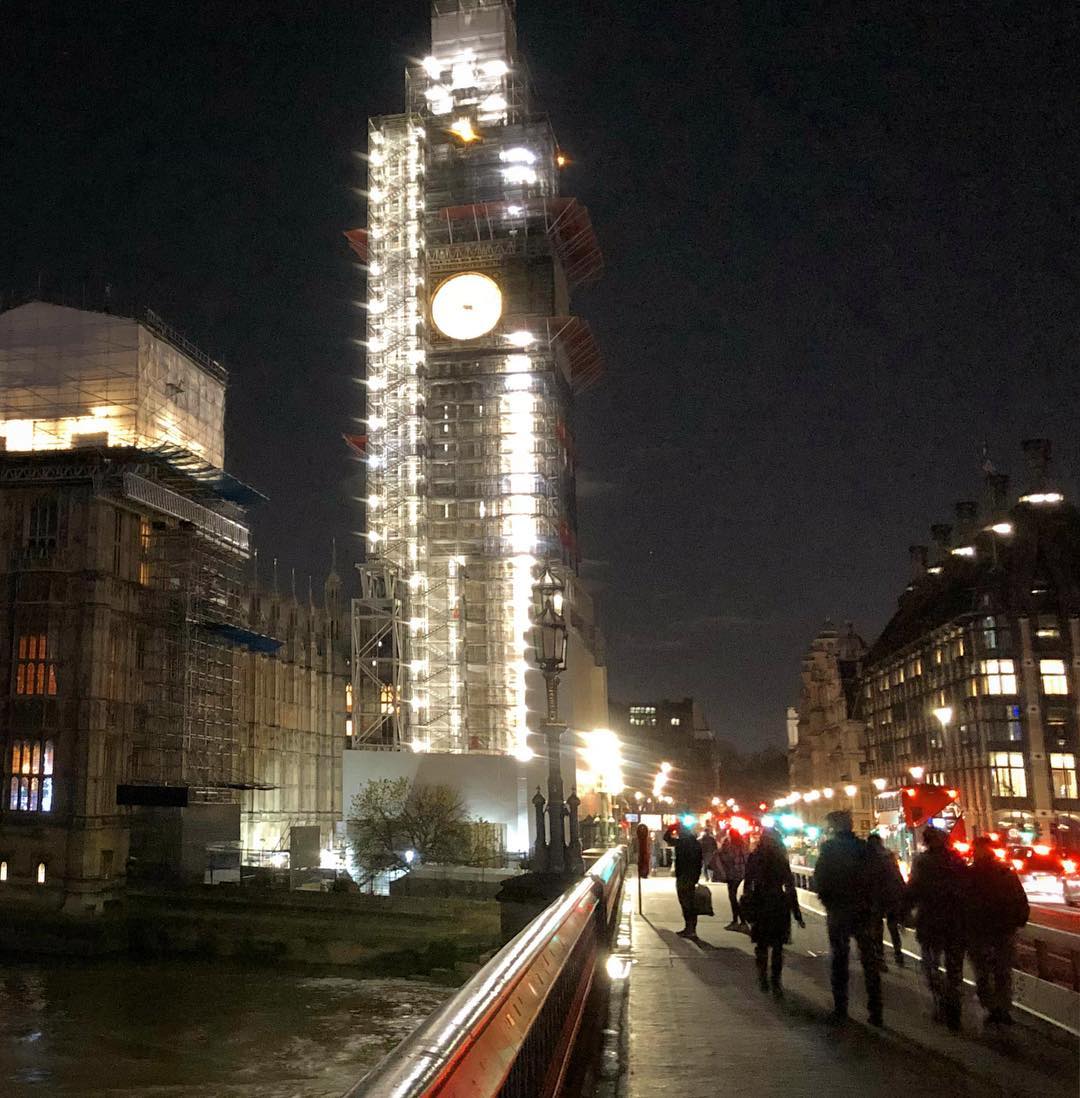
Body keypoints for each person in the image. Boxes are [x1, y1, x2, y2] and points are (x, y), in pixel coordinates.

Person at [812, 810, 883, 1026]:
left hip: (839, 910)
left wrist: (827, 901)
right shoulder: (864, 848)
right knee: (869, 961)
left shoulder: (829, 849)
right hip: (862, 911)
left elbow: (820, 878)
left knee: (840, 959)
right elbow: (876, 878)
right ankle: (876, 1011)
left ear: (834, 826)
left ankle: (841, 1007)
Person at [903, 825, 968, 1031]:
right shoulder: (957, 862)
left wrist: (904, 912)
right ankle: (954, 1008)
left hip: (930, 922)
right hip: (955, 923)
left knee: (930, 965)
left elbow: (913, 889)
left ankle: (941, 1001)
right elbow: (968, 891)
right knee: (954, 968)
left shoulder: (922, 862)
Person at [966, 834, 1029, 1026]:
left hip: (981, 930)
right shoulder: (1005, 873)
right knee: (1001, 971)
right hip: (1001, 929)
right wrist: (1019, 920)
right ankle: (1002, 1008)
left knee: (984, 971)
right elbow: (1020, 900)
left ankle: (994, 1007)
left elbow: (960, 902)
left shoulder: (969, 875)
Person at [743, 828, 804, 996]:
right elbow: (790, 886)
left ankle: (763, 977)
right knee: (778, 946)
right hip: (778, 903)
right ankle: (775, 981)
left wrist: (747, 906)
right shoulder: (780, 859)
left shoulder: (754, 857)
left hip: (760, 902)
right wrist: (796, 912)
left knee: (761, 944)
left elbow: (747, 883)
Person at [867, 833, 906, 969]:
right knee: (893, 926)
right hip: (890, 896)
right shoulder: (888, 856)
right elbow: (897, 876)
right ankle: (898, 953)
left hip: (875, 898)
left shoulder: (868, 858)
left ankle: (880, 956)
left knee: (877, 928)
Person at [665, 822, 703, 938]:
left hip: (683, 875)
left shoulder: (681, 842)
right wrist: (696, 876)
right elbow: (699, 861)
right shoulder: (696, 843)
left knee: (685, 902)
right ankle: (692, 929)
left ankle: (689, 928)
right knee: (691, 903)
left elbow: (666, 838)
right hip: (692, 876)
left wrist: (672, 827)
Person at [716, 827, 749, 929]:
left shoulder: (728, 845)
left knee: (732, 896)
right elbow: (746, 858)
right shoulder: (743, 845)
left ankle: (738, 920)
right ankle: (740, 921)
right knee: (733, 896)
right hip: (741, 873)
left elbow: (722, 855)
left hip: (731, 873)